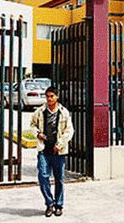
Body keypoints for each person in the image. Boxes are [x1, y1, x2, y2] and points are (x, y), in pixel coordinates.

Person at [30, 86, 74, 217]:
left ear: (57, 96)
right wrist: (37, 134)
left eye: (52, 96)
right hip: (44, 150)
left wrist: (60, 145)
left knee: (59, 179)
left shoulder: (64, 112)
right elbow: (33, 125)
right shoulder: (40, 111)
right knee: (43, 176)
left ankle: (59, 205)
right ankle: (49, 203)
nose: (49, 99)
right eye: (47, 96)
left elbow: (69, 131)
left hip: (58, 152)